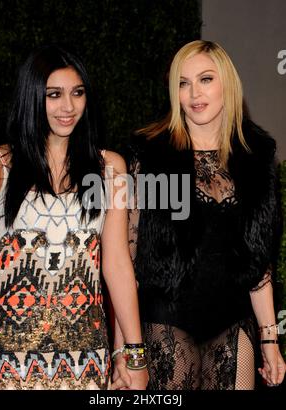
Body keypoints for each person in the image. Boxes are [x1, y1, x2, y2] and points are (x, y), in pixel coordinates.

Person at [113, 40, 286, 390]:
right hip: (166, 322)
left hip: (233, 323)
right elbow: (123, 265)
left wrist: (270, 341)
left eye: (205, 79)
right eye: (183, 82)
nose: (194, 92)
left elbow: (258, 259)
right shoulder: (149, 156)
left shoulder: (256, 156)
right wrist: (123, 352)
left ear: (227, 83)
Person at [0, 45, 148, 390]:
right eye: (54, 95)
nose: (68, 107)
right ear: (32, 98)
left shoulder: (109, 169)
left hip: (85, 360)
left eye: (77, 93)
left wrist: (133, 355)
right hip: (4, 357)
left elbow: (117, 265)